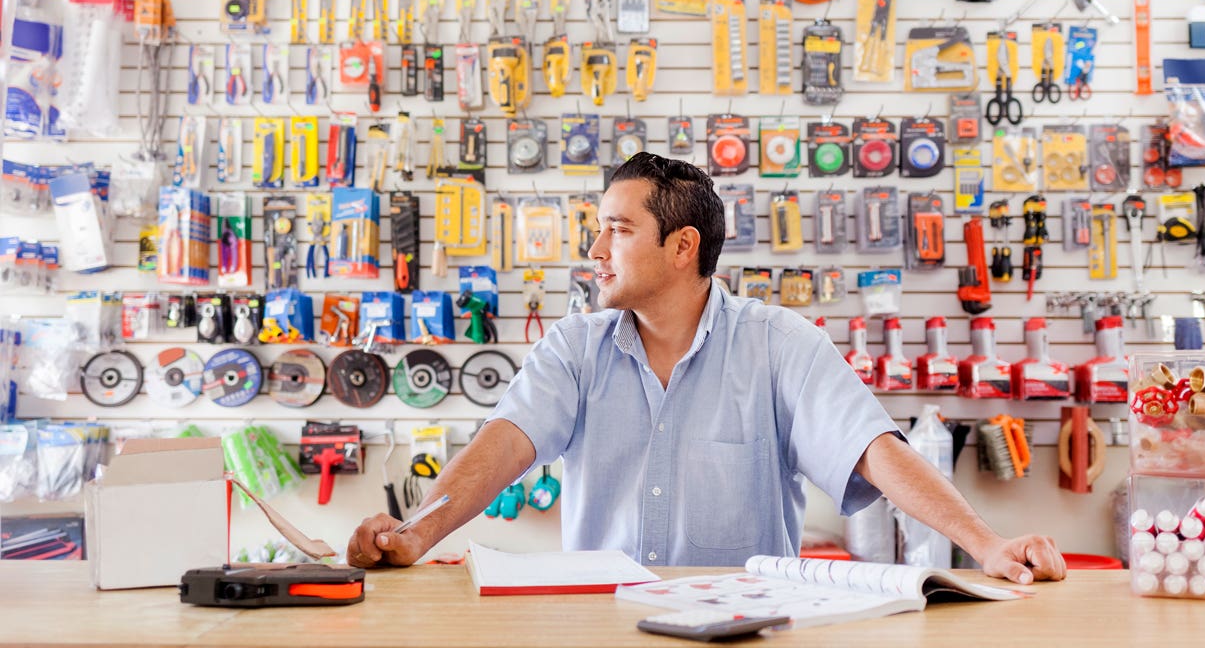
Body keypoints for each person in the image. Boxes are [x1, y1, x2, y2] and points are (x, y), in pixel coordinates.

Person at [348, 152, 1066, 584]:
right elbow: (502, 445)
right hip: (604, 629)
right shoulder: (573, 349)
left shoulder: (782, 344)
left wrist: (988, 544)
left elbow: (873, 449)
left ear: (683, 246)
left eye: (619, 231)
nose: (596, 250)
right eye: (598, 228)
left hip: (745, 633)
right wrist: (417, 532)